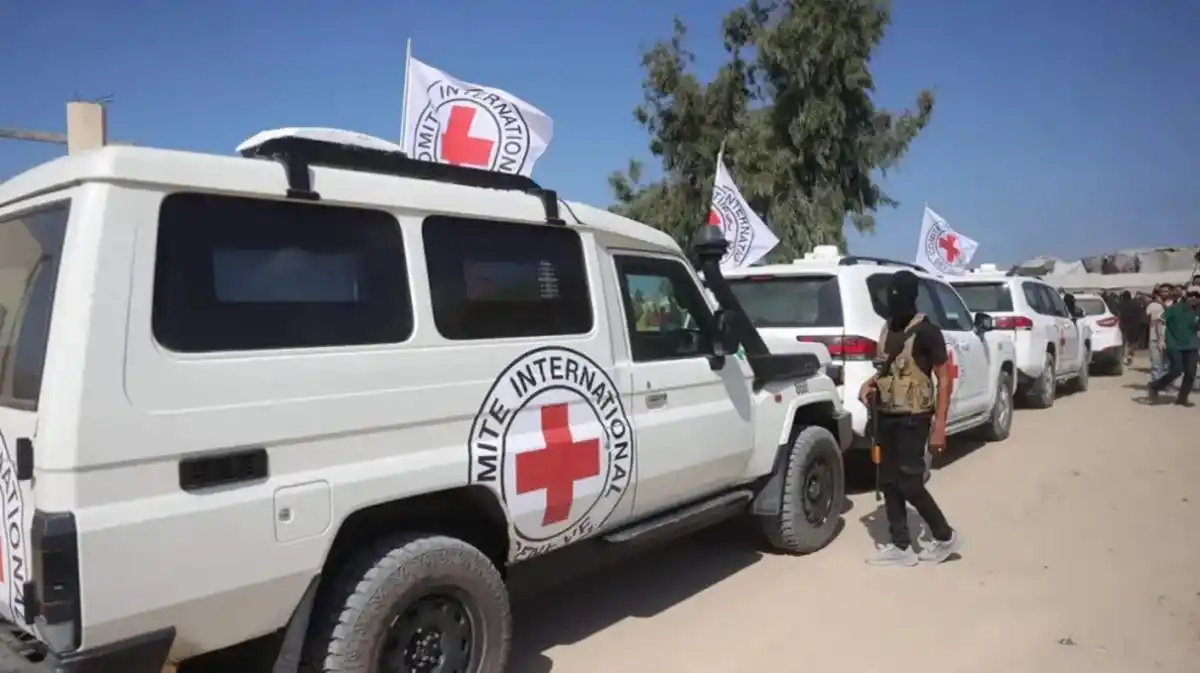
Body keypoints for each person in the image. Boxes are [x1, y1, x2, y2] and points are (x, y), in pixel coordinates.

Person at [858, 270, 962, 567]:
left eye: (898, 297)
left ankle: (944, 535)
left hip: (915, 418)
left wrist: (940, 425)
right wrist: (870, 385)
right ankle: (901, 546)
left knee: (910, 483)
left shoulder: (927, 331)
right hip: (887, 415)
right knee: (888, 482)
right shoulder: (886, 329)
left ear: (910, 298)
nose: (893, 302)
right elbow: (888, 370)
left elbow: (944, 378)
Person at [1148, 287, 1199, 407]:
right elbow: (1160, 321)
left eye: (1197, 296)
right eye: (1191, 295)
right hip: (1174, 344)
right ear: (1186, 296)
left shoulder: (1198, 311)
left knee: (1191, 373)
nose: (1194, 298)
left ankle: (1182, 398)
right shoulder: (1175, 309)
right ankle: (1155, 386)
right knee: (1176, 370)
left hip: (1191, 344)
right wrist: (1160, 340)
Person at [1145, 285, 1170, 380]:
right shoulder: (1152, 305)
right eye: (1162, 291)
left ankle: (1166, 384)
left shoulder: (1172, 304)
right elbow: (1146, 319)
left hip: (1168, 338)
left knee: (1167, 364)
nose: (1164, 294)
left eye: (1166, 291)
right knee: (1156, 363)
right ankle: (1156, 384)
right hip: (1154, 338)